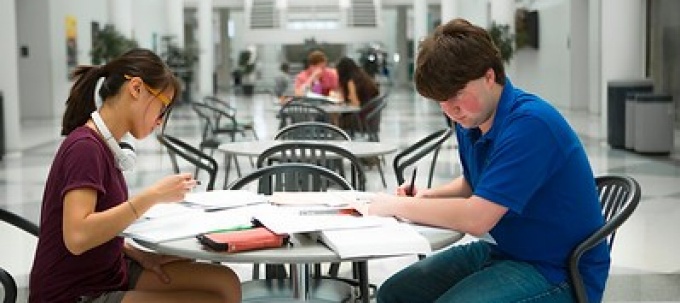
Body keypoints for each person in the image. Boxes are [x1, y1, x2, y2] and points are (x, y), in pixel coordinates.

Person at [367, 19, 609, 303]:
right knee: (393, 293)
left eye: (456, 94)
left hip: (558, 270)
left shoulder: (530, 125)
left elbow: (477, 218)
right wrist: (428, 196)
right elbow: (474, 184)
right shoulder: (472, 120)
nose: (450, 110)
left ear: (489, 77)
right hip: (506, 250)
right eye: (440, 101)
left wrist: (397, 205)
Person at [29, 48, 241, 303]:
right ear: (136, 89)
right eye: (161, 108)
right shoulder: (85, 148)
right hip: (76, 293)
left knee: (225, 282)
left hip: (108, 272)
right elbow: (77, 237)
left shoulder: (104, 145)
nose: (159, 121)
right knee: (211, 299)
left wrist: (137, 253)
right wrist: (151, 197)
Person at [335, 56, 380, 132]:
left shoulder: (351, 82)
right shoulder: (361, 76)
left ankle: (336, 136)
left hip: (360, 119)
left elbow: (355, 104)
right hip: (370, 118)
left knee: (337, 119)